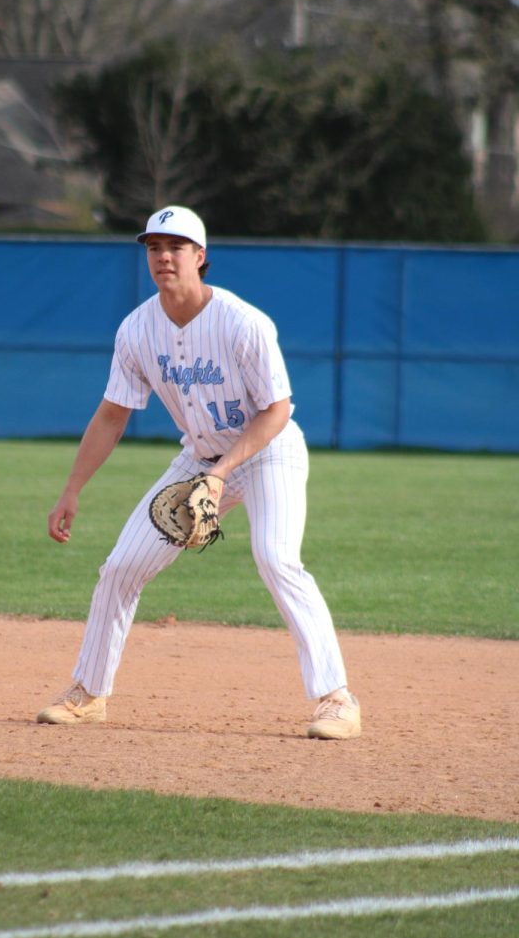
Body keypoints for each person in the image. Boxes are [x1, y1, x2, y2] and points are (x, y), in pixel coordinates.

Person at [38, 205, 361, 740]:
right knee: (120, 568)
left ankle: (337, 699)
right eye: (153, 247)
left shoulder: (242, 322)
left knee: (276, 558)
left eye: (176, 247)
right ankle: (88, 693)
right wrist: (72, 488)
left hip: (268, 451)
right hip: (200, 457)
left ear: (200, 256)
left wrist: (222, 473)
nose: (163, 256)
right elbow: (113, 413)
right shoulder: (137, 330)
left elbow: (277, 410)